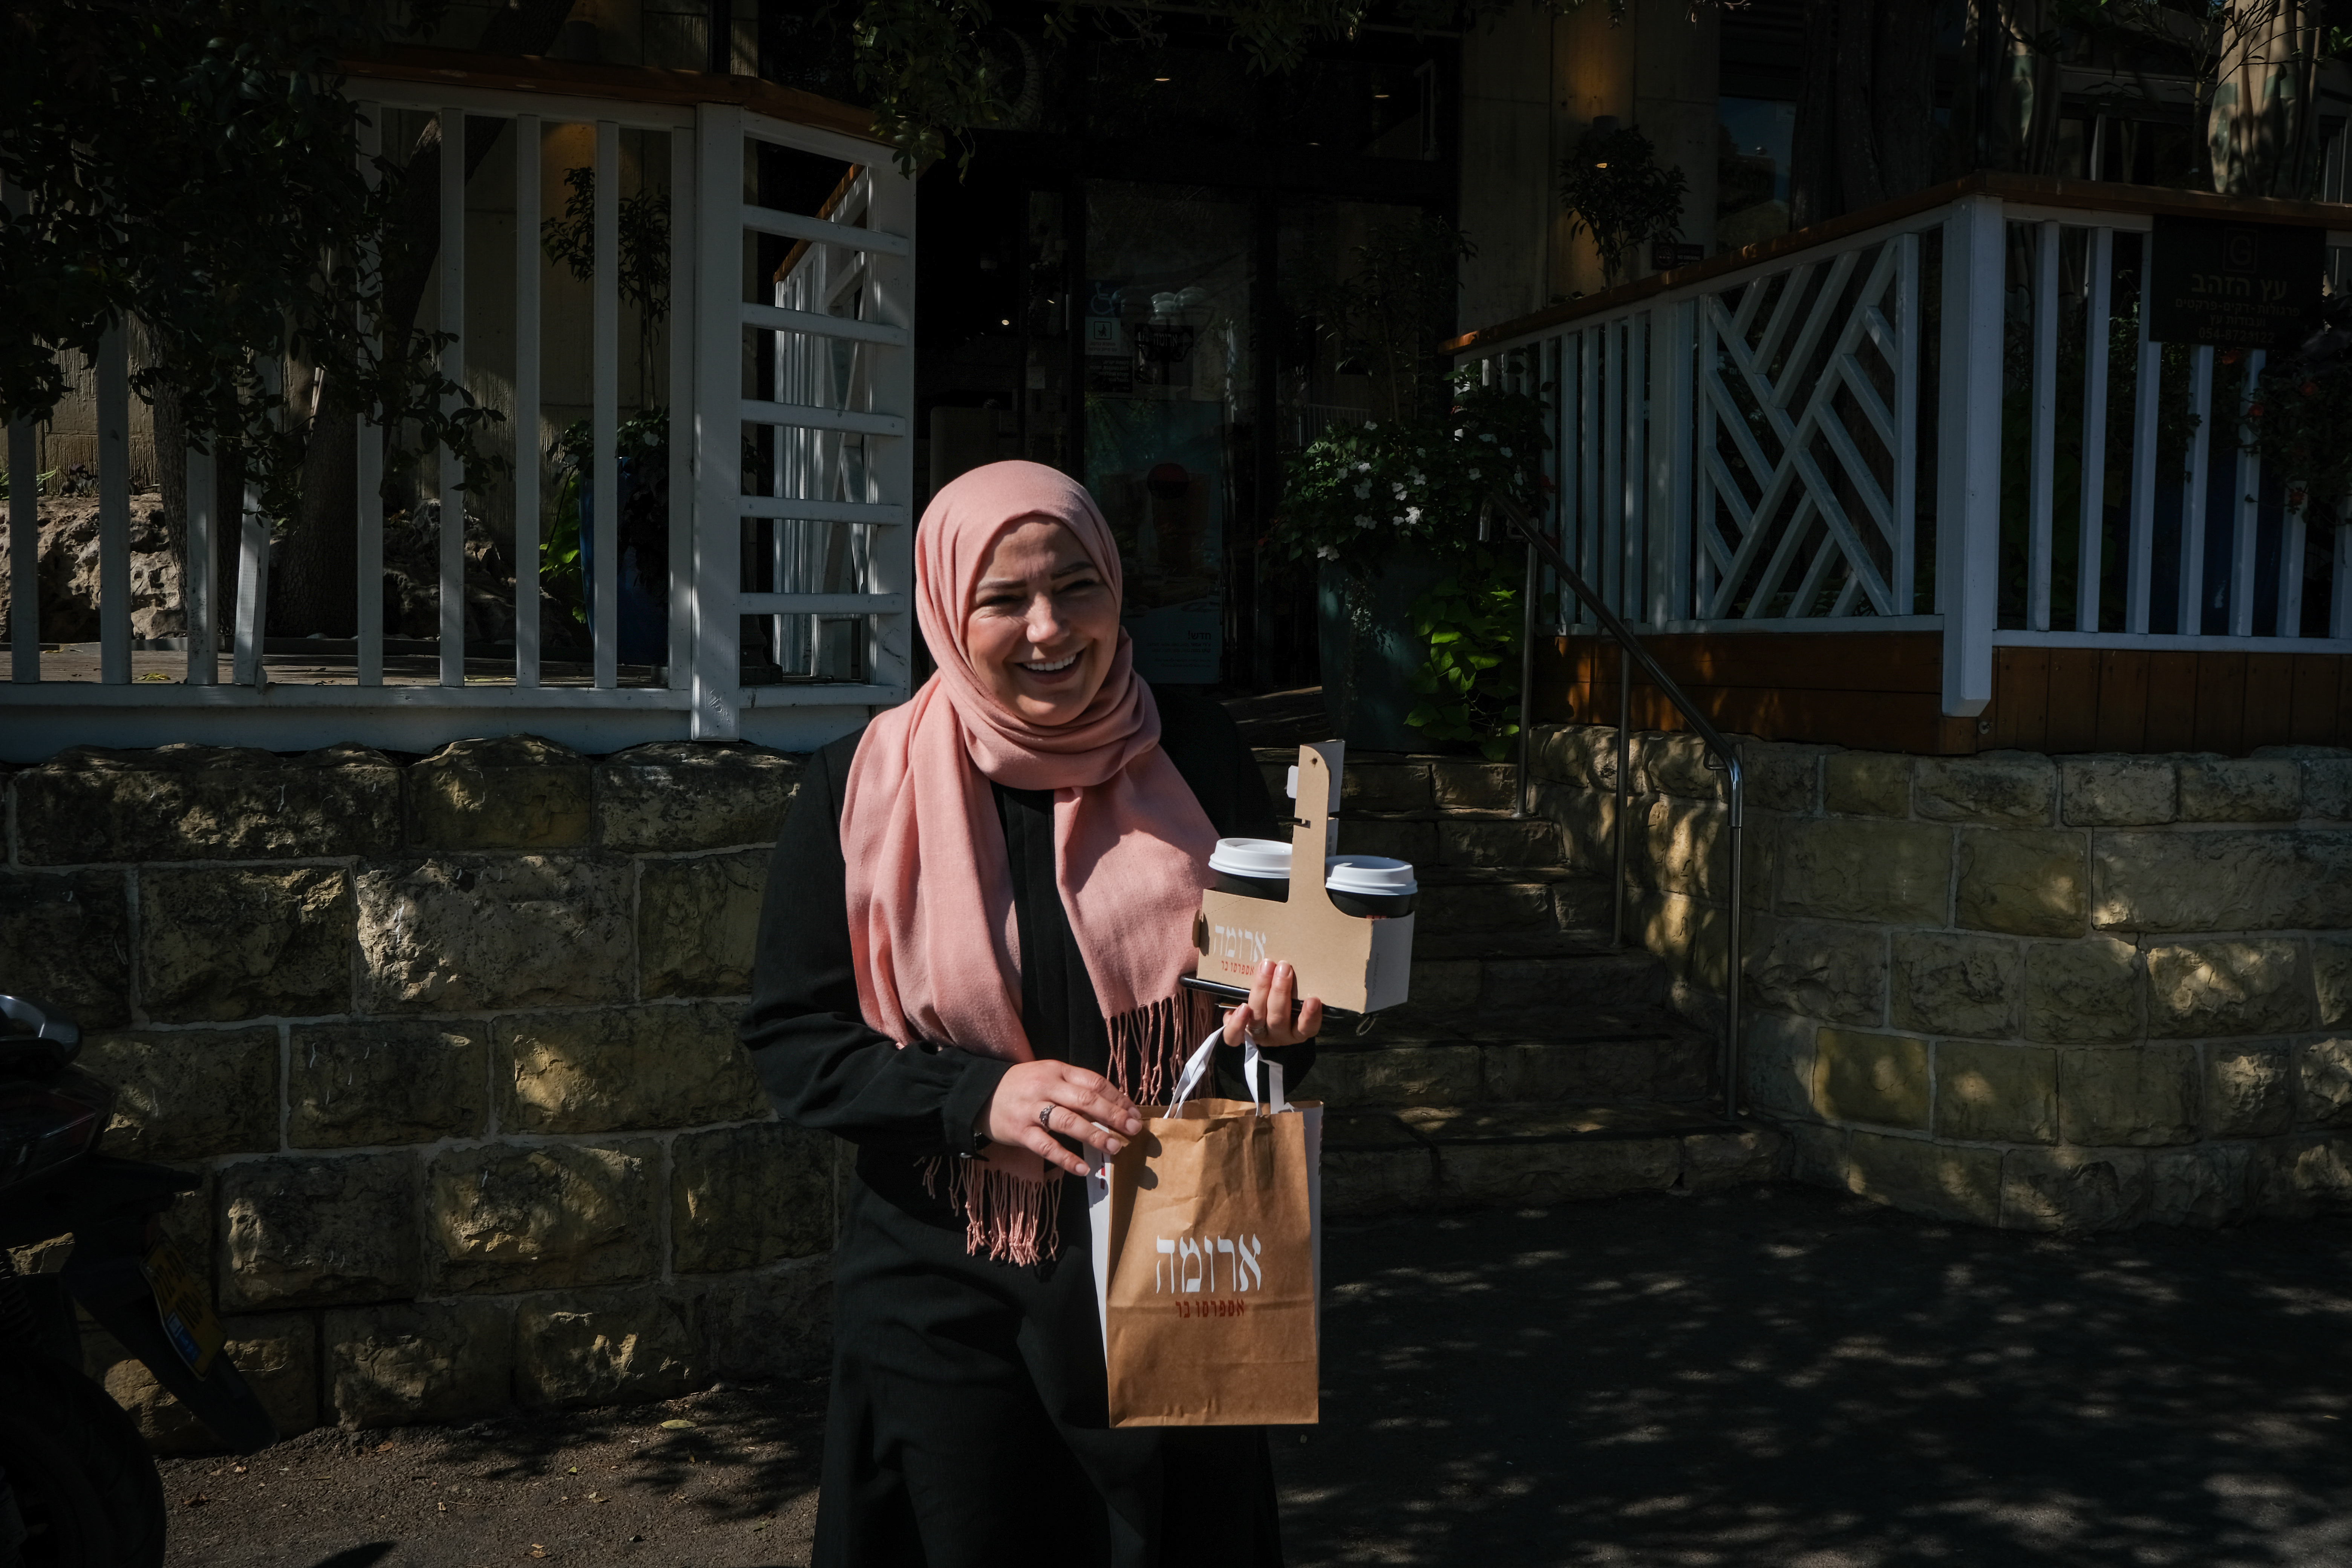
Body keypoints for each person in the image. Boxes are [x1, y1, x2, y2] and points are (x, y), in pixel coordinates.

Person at [741, 460, 1323, 1566]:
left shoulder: (1197, 757)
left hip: (1180, 1258)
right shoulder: (859, 788)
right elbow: (794, 1039)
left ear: (1116, 587)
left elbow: (1269, 986)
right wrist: (979, 1095)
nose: (1051, 628)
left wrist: (1289, 1030)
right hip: (952, 1293)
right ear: (947, 610)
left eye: (1078, 587)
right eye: (1003, 600)